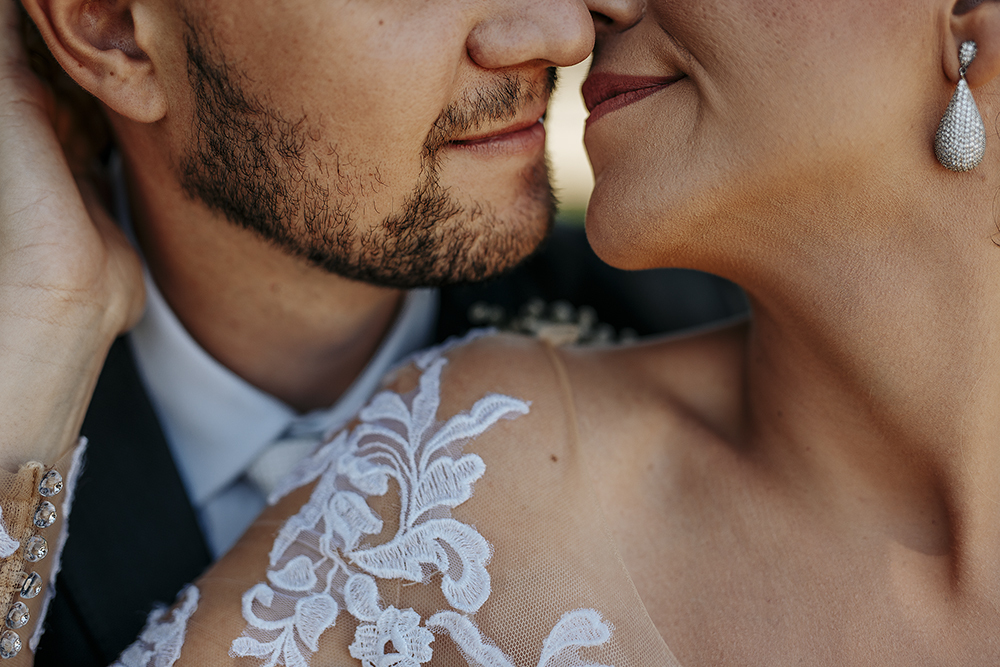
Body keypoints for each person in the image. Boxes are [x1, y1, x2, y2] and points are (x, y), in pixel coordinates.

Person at [17, 0, 999, 666]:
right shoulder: (487, 456)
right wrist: (43, 318)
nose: (563, 27)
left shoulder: (670, 319)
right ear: (110, 27)